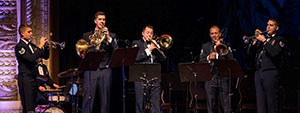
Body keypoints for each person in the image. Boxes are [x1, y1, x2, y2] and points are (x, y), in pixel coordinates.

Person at [81, 11, 118, 113]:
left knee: (105, 100)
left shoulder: (111, 35)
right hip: (91, 69)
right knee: (87, 99)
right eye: (100, 19)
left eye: (104, 19)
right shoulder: (87, 35)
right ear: (95, 21)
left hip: (105, 69)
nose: (102, 21)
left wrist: (109, 38)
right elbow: (82, 53)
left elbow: (116, 51)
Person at [248, 18, 286, 113]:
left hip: (270, 72)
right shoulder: (261, 40)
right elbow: (250, 54)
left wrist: (264, 41)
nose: (268, 27)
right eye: (267, 24)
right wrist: (254, 42)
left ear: (276, 28)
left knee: (271, 101)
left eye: (271, 25)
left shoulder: (279, 39)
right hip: (259, 72)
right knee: (260, 102)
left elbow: (275, 53)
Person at [15, 24, 49, 113]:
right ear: (22, 33)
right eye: (29, 32)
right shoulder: (19, 46)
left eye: (31, 31)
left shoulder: (32, 45)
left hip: (34, 78)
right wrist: (40, 46)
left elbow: (45, 56)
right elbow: (31, 58)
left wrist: (46, 47)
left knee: (33, 106)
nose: (31, 33)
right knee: (28, 106)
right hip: (25, 78)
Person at [132, 25, 166, 113]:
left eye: (151, 33)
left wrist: (157, 48)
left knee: (156, 104)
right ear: (143, 34)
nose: (150, 35)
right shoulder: (136, 43)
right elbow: (135, 58)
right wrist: (149, 49)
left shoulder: (154, 45)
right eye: (147, 33)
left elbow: (163, 58)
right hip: (140, 77)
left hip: (154, 77)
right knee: (141, 103)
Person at [199, 25, 233, 113]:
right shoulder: (206, 46)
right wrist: (208, 57)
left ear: (220, 34)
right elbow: (201, 61)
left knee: (226, 105)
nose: (214, 35)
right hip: (211, 78)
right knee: (211, 105)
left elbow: (231, 59)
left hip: (223, 78)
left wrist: (221, 47)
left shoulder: (226, 45)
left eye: (216, 33)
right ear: (210, 35)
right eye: (212, 33)